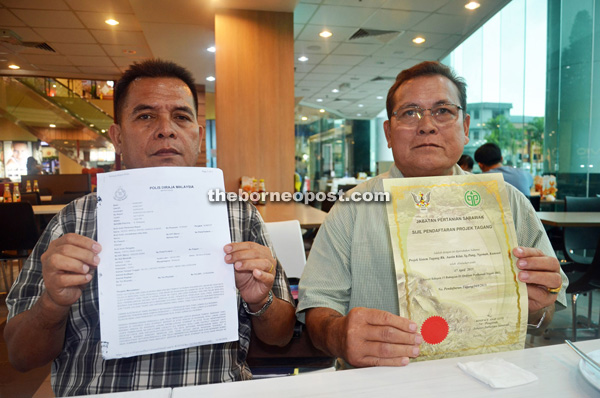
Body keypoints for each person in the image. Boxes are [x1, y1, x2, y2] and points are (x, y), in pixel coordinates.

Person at [4, 59, 296, 396]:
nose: (166, 129)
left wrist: (260, 302)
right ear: (117, 136)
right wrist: (52, 305)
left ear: (198, 137)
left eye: (181, 117)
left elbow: (281, 336)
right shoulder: (73, 221)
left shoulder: (239, 215)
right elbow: (20, 356)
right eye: (145, 116)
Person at [297, 61, 567, 369]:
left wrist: (537, 309)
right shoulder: (351, 209)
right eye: (410, 112)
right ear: (388, 132)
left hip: (488, 377)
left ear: (465, 127)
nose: (426, 125)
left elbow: (544, 319)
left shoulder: (508, 204)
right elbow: (316, 309)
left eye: (443, 111)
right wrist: (337, 334)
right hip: (381, 383)